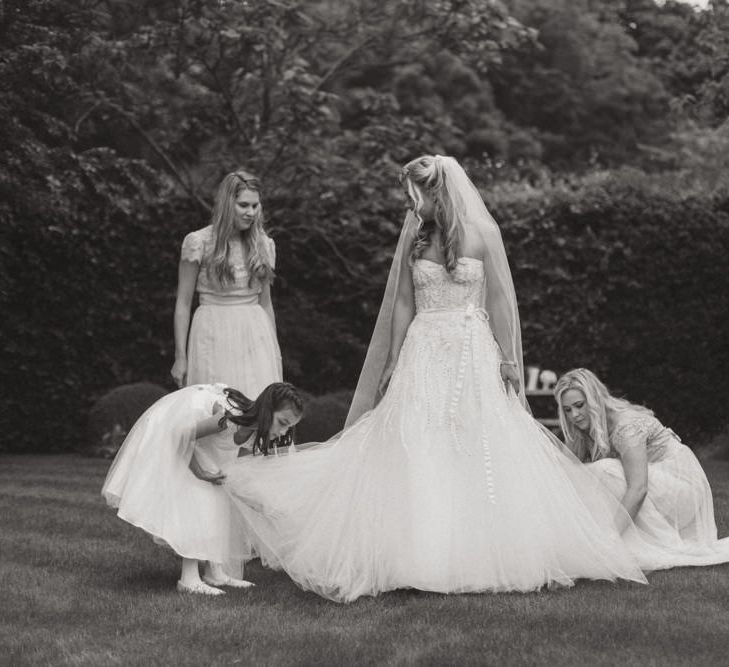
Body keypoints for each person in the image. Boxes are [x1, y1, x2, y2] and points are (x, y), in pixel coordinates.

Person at [222, 155, 648, 603]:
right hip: (424, 349)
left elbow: (501, 302)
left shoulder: (483, 235)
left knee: (475, 441)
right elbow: (404, 303)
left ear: (434, 191)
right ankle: (415, 550)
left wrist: (507, 357)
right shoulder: (415, 238)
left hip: (471, 350)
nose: (409, 202)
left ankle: (478, 547)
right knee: (418, 442)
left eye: (413, 194)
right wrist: (392, 357)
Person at [101, 382, 304, 595]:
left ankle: (214, 572)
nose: (283, 432)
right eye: (282, 422)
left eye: (288, 427)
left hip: (193, 442)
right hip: (175, 424)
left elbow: (236, 477)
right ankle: (188, 578)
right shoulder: (225, 420)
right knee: (200, 496)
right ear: (267, 410)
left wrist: (263, 507)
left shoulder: (252, 435)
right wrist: (199, 472)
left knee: (221, 495)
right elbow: (180, 436)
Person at [555, 368, 729, 568]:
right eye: (567, 410)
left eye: (579, 405)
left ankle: (610, 541)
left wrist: (607, 542)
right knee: (585, 474)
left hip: (682, 491)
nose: (574, 415)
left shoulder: (626, 428)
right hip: (658, 487)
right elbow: (567, 473)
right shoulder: (584, 429)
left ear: (594, 400)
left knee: (604, 470)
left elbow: (638, 489)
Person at [170, 169, 282, 397]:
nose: (251, 212)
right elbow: (183, 303)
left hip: (254, 333)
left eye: (255, 206)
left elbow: (266, 303)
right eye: (243, 205)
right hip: (212, 332)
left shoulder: (264, 244)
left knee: (257, 405)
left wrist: (275, 351)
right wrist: (180, 356)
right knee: (215, 408)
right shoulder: (198, 242)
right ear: (227, 204)